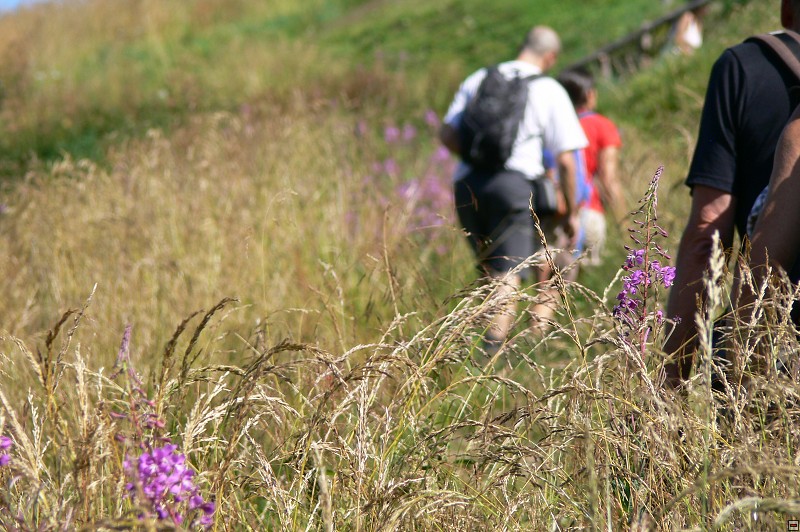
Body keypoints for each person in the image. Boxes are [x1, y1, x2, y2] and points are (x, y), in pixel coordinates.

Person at [664, 0, 800, 388]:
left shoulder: (744, 67)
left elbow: (708, 233)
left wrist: (674, 379)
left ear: (787, 11)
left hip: (782, 342)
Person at [439, 25, 588, 352]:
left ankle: (469, 350)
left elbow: (447, 134)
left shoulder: (480, 77)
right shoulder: (548, 88)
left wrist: (478, 162)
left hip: (467, 184)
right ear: (550, 57)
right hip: (514, 187)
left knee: (486, 270)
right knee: (507, 273)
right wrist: (573, 212)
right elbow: (566, 160)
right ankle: (489, 356)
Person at [557, 67, 625, 265]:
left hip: (554, 215)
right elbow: (608, 179)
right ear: (589, 94)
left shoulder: (555, 126)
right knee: (586, 291)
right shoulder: (602, 126)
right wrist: (626, 225)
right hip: (587, 213)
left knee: (552, 287)